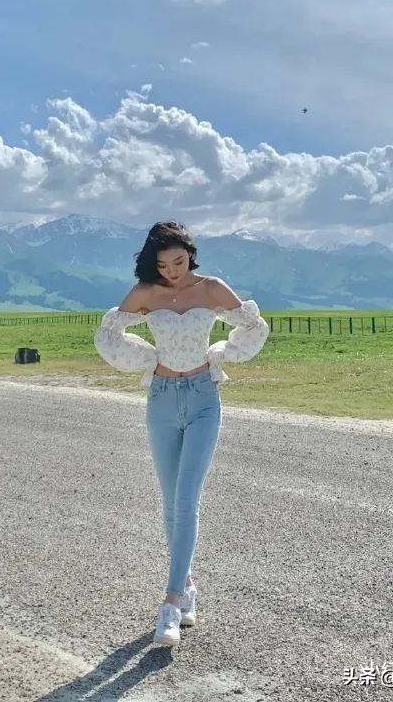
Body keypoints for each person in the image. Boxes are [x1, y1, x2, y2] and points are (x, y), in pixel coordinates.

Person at [94, 220, 270, 647]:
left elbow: (253, 325)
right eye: (163, 265)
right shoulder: (145, 293)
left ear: (190, 254)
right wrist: (147, 358)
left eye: (178, 261)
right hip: (161, 398)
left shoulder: (211, 289)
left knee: (188, 498)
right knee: (171, 501)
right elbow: (109, 334)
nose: (172, 271)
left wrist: (221, 351)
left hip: (203, 396)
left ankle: (170, 604)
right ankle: (188, 586)